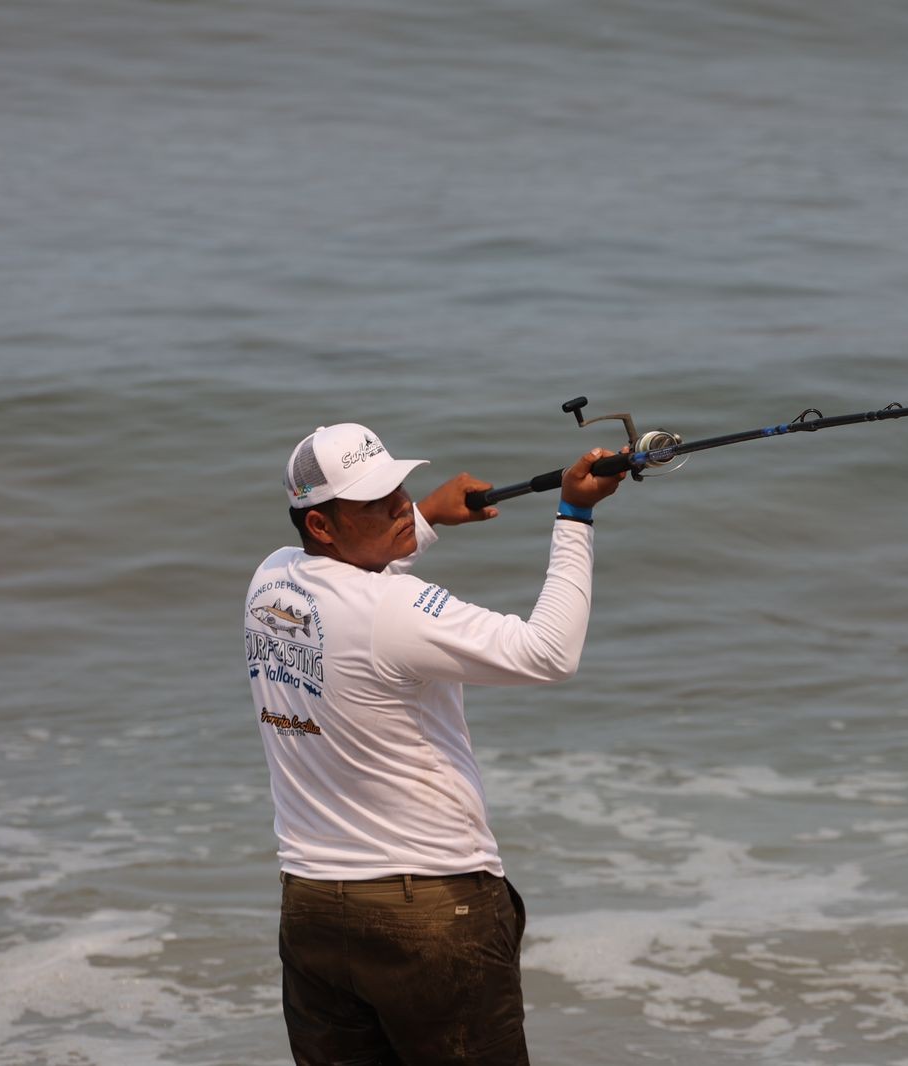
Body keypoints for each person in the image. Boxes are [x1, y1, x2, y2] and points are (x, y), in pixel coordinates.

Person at [244, 421, 624, 1065]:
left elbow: (350, 578)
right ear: (322, 526)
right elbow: (549, 654)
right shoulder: (395, 609)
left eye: (398, 488)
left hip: (312, 909)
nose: (397, 506)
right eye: (375, 502)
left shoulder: (270, 581)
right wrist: (574, 515)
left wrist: (424, 517)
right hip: (427, 908)